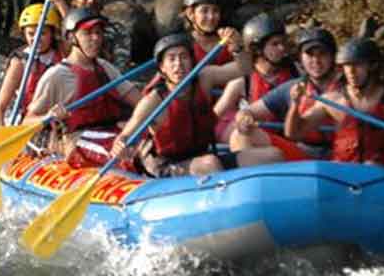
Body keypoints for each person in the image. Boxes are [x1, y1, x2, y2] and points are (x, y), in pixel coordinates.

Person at [116, 32, 267, 176]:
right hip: (167, 166)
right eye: (171, 59)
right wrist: (121, 143)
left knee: (272, 155)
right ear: (162, 67)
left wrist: (238, 48)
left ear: (192, 61)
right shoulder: (153, 101)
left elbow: (245, 68)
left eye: (183, 57)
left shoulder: (204, 78)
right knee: (210, 164)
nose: (179, 64)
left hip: (201, 156)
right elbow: (127, 133)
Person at [25, 8, 142, 167]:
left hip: (110, 131)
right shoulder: (57, 75)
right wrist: (48, 116)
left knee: (148, 143)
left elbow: (140, 102)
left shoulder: (104, 67)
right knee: (123, 155)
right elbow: (26, 122)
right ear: (72, 38)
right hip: (77, 139)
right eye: (88, 33)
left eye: (99, 33)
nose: (96, 39)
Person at [288, 37, 384, 168]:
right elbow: (294, 134)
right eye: (346, 66)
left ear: (373, 66)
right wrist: (295, 104)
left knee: (372, 166)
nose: (351, 72)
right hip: (345, 174)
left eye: (358, 65)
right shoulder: (333, 101)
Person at [232, 26, 344, 160]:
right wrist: (243, 119)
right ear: (301, 58)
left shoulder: (349, 88)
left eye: (322, 54)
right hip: (302, 153)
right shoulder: (292, 88)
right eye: (310, 54)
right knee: (241, 134)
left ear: (333, 57)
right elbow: (248, 111)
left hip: (341, 152)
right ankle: (248, 178)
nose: (316, 61)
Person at [211, 13, 297, 141]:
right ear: (257, 49)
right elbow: (213, 117)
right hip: (257, 142)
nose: (282, 48)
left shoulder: (295, 72)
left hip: (289, 141)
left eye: (283, 42)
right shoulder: (241, 81)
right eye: (275, 44)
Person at [0, 2, 62, 126]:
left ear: (52, 34)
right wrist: (0, 129)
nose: (36, 38)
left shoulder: (63, 53)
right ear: (24, 34)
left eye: (42, 33)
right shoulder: (20, 62)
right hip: (29, 121)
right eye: (31, 34)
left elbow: (76, 31)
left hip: (60, 115)